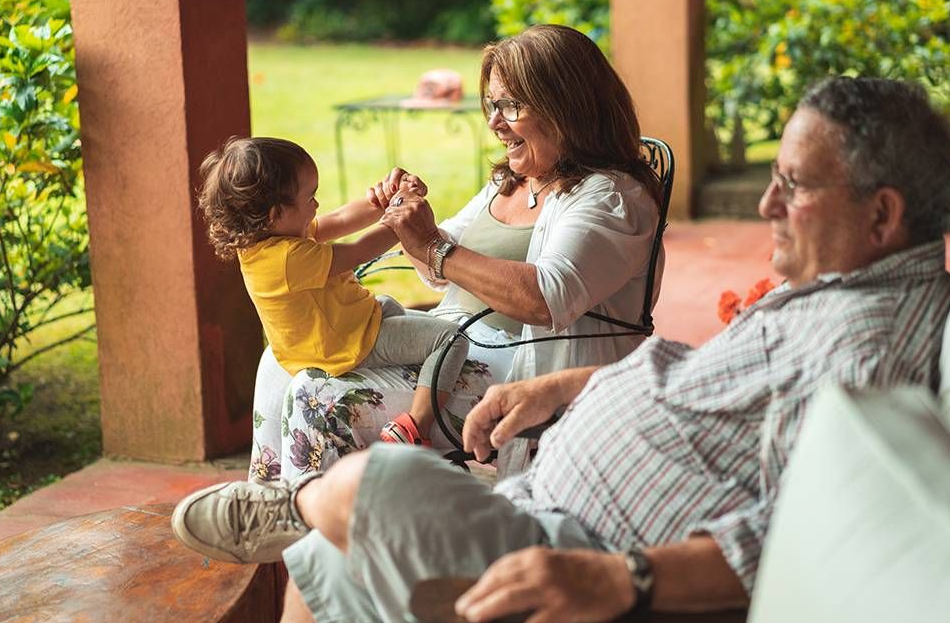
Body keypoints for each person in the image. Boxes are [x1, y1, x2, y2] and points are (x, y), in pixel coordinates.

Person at [173, 75, 950, 623]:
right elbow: (698, 374)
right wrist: (566, 386)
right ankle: (306, 513)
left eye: (790, 186)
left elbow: (798, 526)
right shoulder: (831, 297)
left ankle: (304, 498)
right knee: (325, 560)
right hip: (544, 488)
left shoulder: (866, 352)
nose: (765, 206)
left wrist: (626, 582)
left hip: (571, 556)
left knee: (375, 486)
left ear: (881, 214)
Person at [249, 24, 665, 478]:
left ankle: (320, 531)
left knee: (320, 396)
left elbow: (545, 299)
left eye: (511, 104)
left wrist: (432, 244)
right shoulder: (512, 180)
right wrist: (402, 215)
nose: (493, 122)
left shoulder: (608, 197)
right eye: (493, 104)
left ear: (567, 107)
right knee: (283, 358)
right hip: (455, 343)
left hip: (522, 368)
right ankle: (273, 516)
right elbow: (437, 269)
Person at [197, 136, 470, 448]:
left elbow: (340, 219)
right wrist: (400, 214)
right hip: (347, 345)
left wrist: (383, 201)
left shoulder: (268, 242)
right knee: (450, 339)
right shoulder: (288, 259)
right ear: (275, 213)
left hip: (345, 328)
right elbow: (360, 250)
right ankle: (414, 425)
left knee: (389, 306)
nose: (316, 204)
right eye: (309, 197)